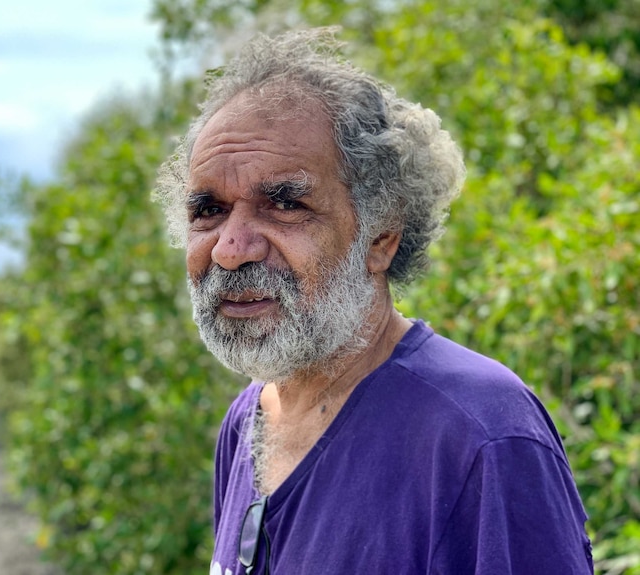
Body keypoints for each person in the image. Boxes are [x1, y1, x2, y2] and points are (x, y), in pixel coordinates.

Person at [154, 28, 593, 574]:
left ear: (381, 235)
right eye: (209, 210)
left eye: (285, 203)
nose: (232, 248)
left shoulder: (481, 434)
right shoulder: (248, 421)